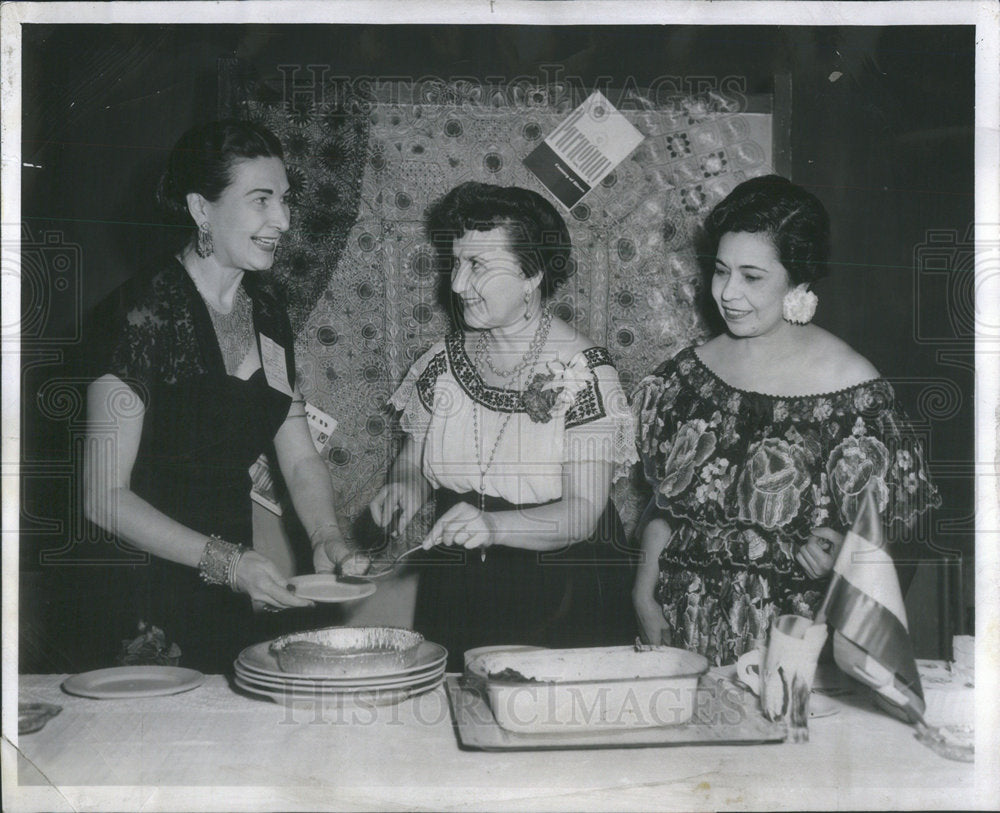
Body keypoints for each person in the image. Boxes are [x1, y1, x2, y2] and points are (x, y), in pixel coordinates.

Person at [83, 120, 363, 672]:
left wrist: (327, 537)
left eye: (284, 200)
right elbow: (101, 496)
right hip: (140, 593)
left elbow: (299, 450)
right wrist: (226, 562)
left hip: (229, 583)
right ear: (201, 209)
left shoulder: (267, 311)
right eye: (261, 200)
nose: (282, 221)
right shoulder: (140, 315)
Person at [631, 175, 941, 666]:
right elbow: (664, 508)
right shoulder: (684, 378)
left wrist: (841, 560)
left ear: (798, 280)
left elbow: (898, 546)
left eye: (751, 277)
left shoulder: (852, 390)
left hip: (793, 643)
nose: (727, 293)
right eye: (720, 271)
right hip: (680, 629)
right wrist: (644, 598)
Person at [370, 182, 638, 670]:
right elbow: (414, 462)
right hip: (459, 584)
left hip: (559, 588)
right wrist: (404, 489)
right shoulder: (441, 363)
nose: (456, 285)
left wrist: (491, 525)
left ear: (532, 273)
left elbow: (581, 512)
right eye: (456, 263)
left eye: (478, 267)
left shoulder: (586, 375)